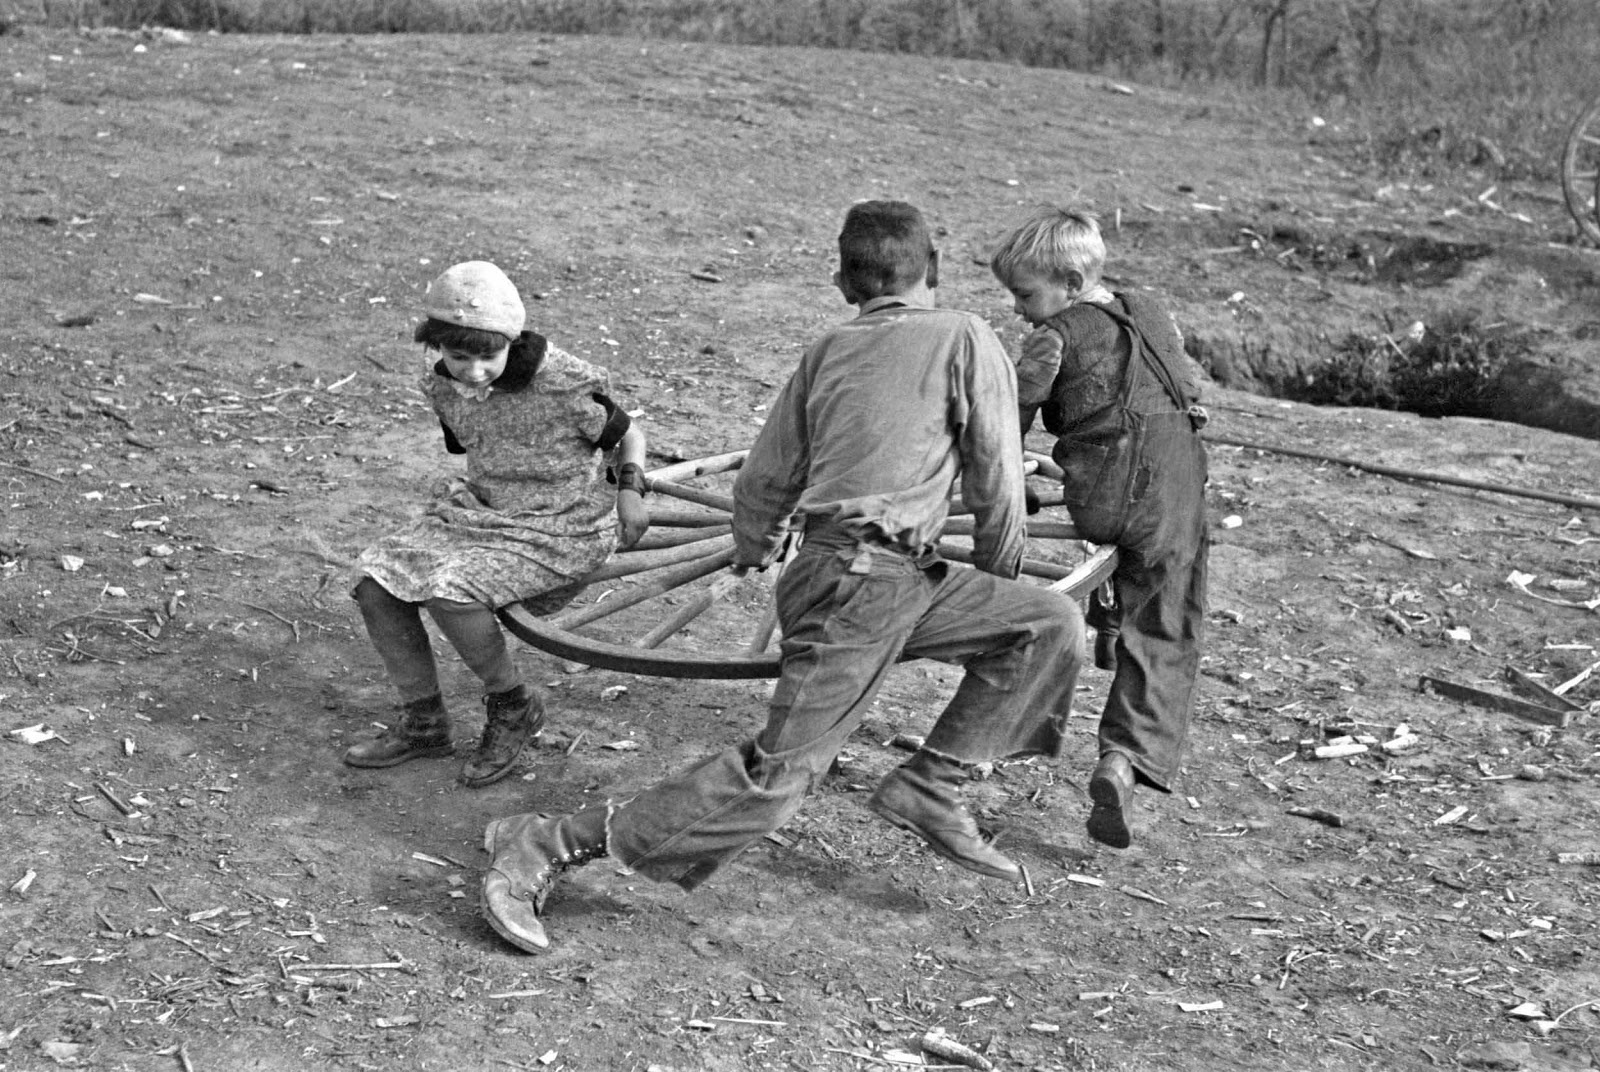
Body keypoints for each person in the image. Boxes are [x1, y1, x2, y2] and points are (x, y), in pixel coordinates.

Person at [479, 200, 1086, 952]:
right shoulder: (967, 335)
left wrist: (753, 545)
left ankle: (935, 781)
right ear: (935, 268)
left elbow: (765, 479)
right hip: (864, 583)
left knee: (1046, 622)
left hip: (882, 576)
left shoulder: (828, 348)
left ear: (843, 283)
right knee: (779, 780)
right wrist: (997, 574)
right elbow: (996, 478)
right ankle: (548, 842)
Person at [343, 260, 650, 788]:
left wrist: (630, 490)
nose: (475, 371)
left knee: (450, 592)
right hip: (483, 513)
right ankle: (424, 722)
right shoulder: (443, 387)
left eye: (489, 356)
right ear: (437, 346)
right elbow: (479, 444)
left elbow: (630, 435)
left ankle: (513, 706)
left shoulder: (564, 384)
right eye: (459, 356)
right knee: (374, 586)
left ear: (512, 340)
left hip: (562, 521)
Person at [988, 205, 1209, 850]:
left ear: (1072, 283)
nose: (1023, 310)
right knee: (1168, 615)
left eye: (1027, 295)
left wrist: (1008, 483)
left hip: (1106, 490)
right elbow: (1188, 391)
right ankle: (1124, 759)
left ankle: (1106, 628)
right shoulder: (1154, 313)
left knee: (1120, 547)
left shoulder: (1054, 336)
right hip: (1177, 481)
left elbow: (1011, 419)